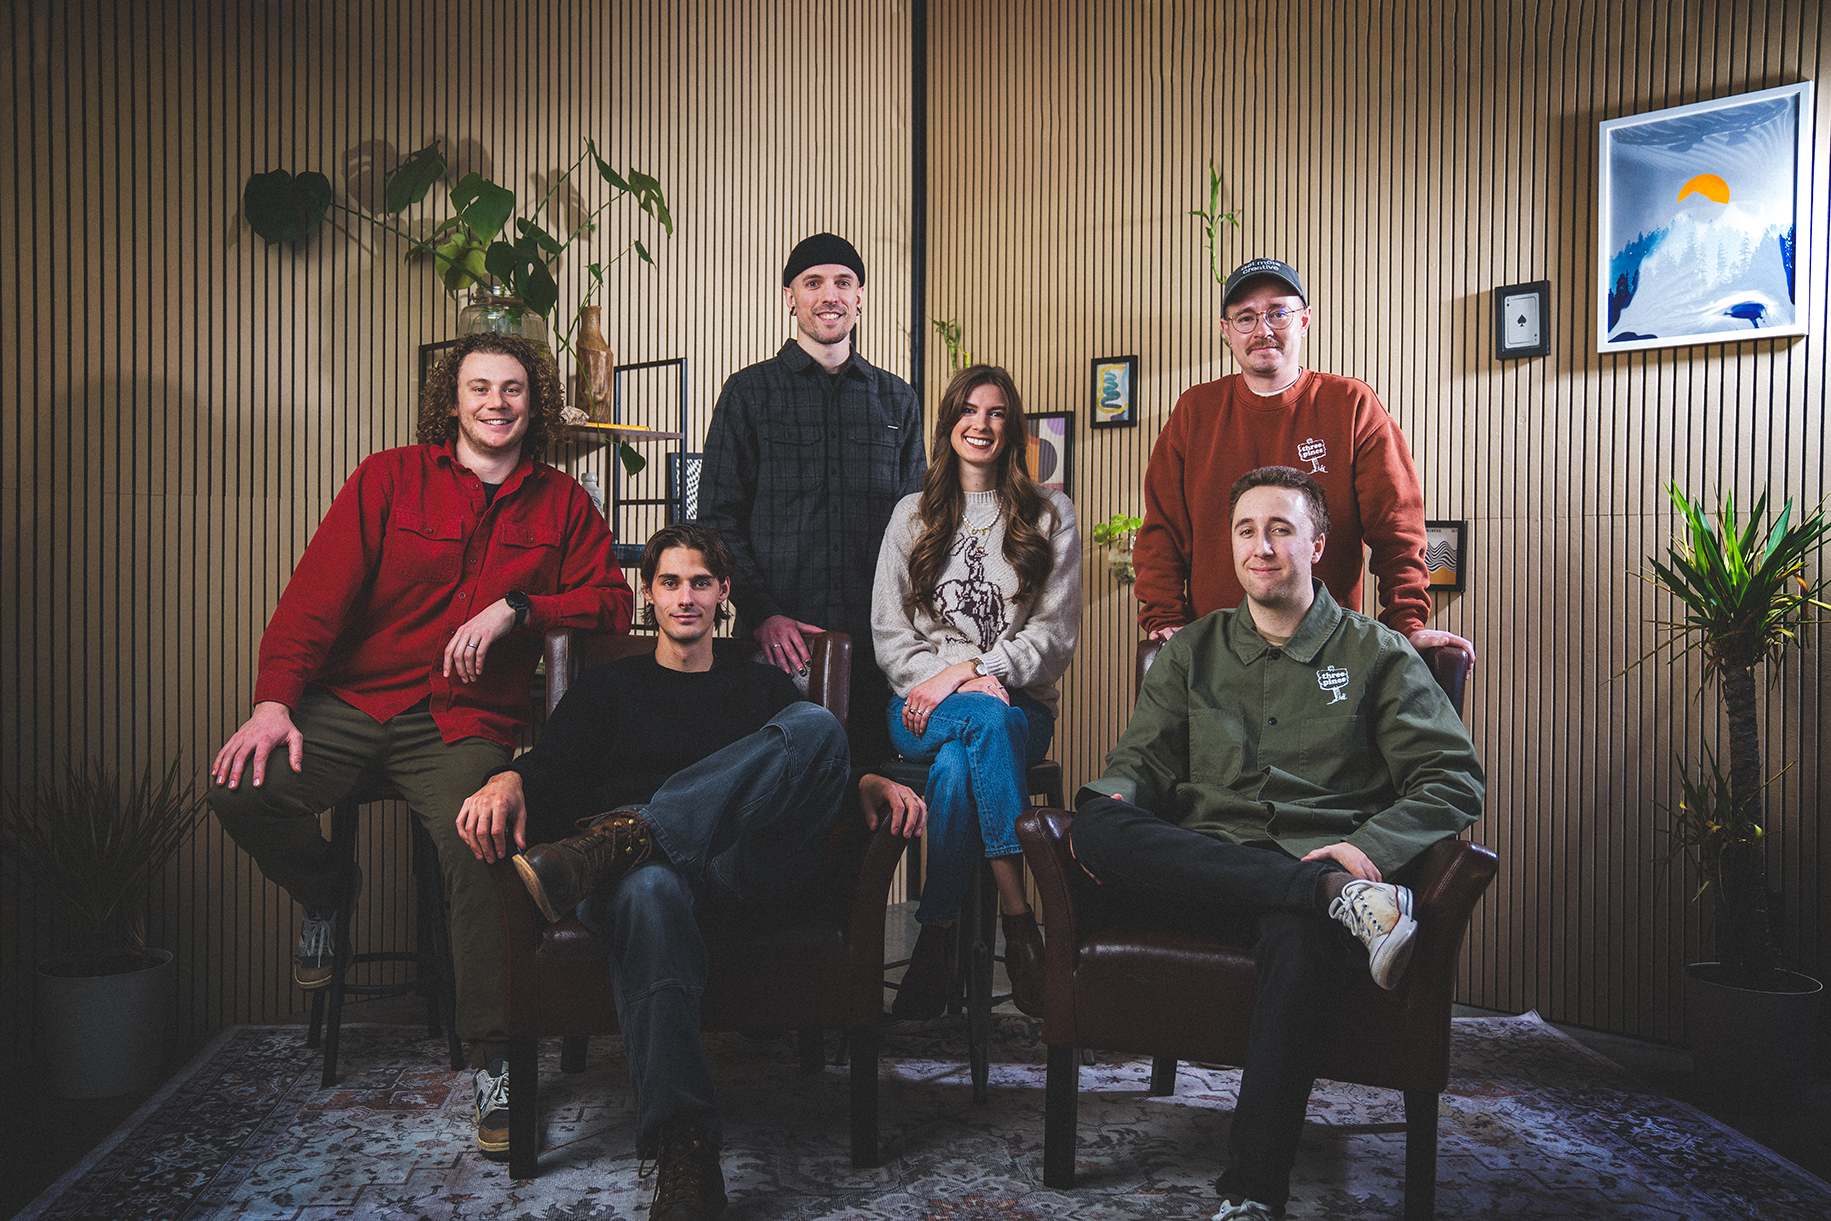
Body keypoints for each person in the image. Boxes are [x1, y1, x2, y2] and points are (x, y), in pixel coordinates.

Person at [207, 332, 634, 1156]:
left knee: (484, 838)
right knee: (240, 786)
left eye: (513, 389)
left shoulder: (562, 503)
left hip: (464, 722)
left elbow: (612, 603)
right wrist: (273, 704)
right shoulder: (388, 477)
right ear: (452, 400)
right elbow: (313, 599)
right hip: (356, 699)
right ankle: (329, 889)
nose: (496, 403)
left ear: (535, 403)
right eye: (479, 387)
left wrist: (520, 607)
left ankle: (497, 1059)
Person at [455, 523, 925, 1221]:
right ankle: (685, 1145)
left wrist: (866, 781)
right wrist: (503, 779)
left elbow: (812, 765)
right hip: (637, 892)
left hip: (740, 872)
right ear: (648, 593)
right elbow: (547, 770)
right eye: (670, 582)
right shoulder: (606, 688)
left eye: (700, 582)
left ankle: (631, 835)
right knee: (649, 885)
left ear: (723, 592)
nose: (686, 597)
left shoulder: (761, 685)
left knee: (818, 727)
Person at [1070, 466, 1484, 1221]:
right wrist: (1118, 795)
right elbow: (1139, 764)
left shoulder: (1377, 654)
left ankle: (1251, 1193)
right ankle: (1332, 899)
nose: (1260, 547)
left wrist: (1364, 849)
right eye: (1246, 530)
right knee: (1094, 815)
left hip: (1306, 867)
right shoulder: (1192, 651)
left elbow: (1452, 780)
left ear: (1317, 545)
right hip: (1201, 872)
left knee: (1297, 934)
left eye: (1280, 529)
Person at [1132, 256, 1475, 661]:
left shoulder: (1351, 406)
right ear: (1227, 331)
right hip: (1218, 654)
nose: (1263, 330)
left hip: (1328, 650)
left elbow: (1397, 529)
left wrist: (1407, 623)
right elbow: (1162, 531)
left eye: (1278, 313)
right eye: (1246, 317)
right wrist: (1164, 616)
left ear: (1305, 320)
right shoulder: (1195, 412)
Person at [870, 364, 1080, 1019]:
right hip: (919, 707)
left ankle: (936, 939)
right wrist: (944, 683)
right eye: (968, 409)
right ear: (949, 423)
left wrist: (965, 670)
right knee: (981, 725)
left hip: (1019, 707)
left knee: (965, 761)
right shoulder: (912, 515)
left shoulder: (1050, 515)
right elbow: (889, 634)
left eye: (995, 412)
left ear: (1012, 428)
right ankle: (1021, 921)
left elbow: (1053, 639)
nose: (980, 424)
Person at [701, 232, 927, 766]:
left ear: (860, 296)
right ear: (790, 297)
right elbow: (716, 520)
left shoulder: (897, 399)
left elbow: (918, 527)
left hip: (877, 651)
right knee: (776, 790)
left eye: (843, 283)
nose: (830, 295)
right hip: (774, 650)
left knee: (871, 792)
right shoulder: (748, 393)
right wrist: (762, 614)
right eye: (813, 282)